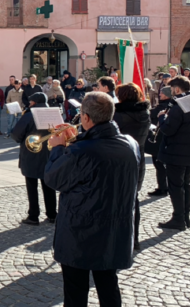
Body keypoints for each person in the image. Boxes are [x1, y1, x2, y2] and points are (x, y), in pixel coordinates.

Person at [45, 92, 139, 307]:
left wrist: (59, 147)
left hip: (80, 232)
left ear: (86, 118)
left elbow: (53, 178)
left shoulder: (80, 152)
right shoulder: (130, 144)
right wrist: (77, 139)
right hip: (115, 230)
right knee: (108, 285)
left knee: (75, 292)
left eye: (81, 115)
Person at [156, 76, 190, 230]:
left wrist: (162, 118)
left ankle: (178, 218)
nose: (171, 93)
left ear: (177, 89)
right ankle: (186, 217)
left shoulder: (179, 105)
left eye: (171, 90)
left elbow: (169, 130)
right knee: (186, 184)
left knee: (176, 186)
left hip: (177, 152)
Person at [113, 83, 150, 250]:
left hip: (119, 160)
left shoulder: (118, 115)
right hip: (138, 158)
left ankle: (117, 239)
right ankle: (133, 239)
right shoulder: (144, 112)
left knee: (115, 200)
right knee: (133, 199)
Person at [11, 92, 57, 226]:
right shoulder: (53, 114)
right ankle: (52, 214)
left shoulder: (30, 114)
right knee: (49, 185)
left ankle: (33, 215)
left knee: (32, 186)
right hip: (49, 155)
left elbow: (16, 135)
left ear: (34, 103)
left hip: (31, 154)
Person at [147, 87, 172, 197]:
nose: (160, 94)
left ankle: (163, 187)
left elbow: (151, 116)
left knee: (159, 164)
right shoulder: (171, 105)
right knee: (161, 164)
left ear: (166, 95)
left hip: (160, 139)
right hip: (165, 139)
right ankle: (164, 186)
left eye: (162, 93)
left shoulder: (163, 107)